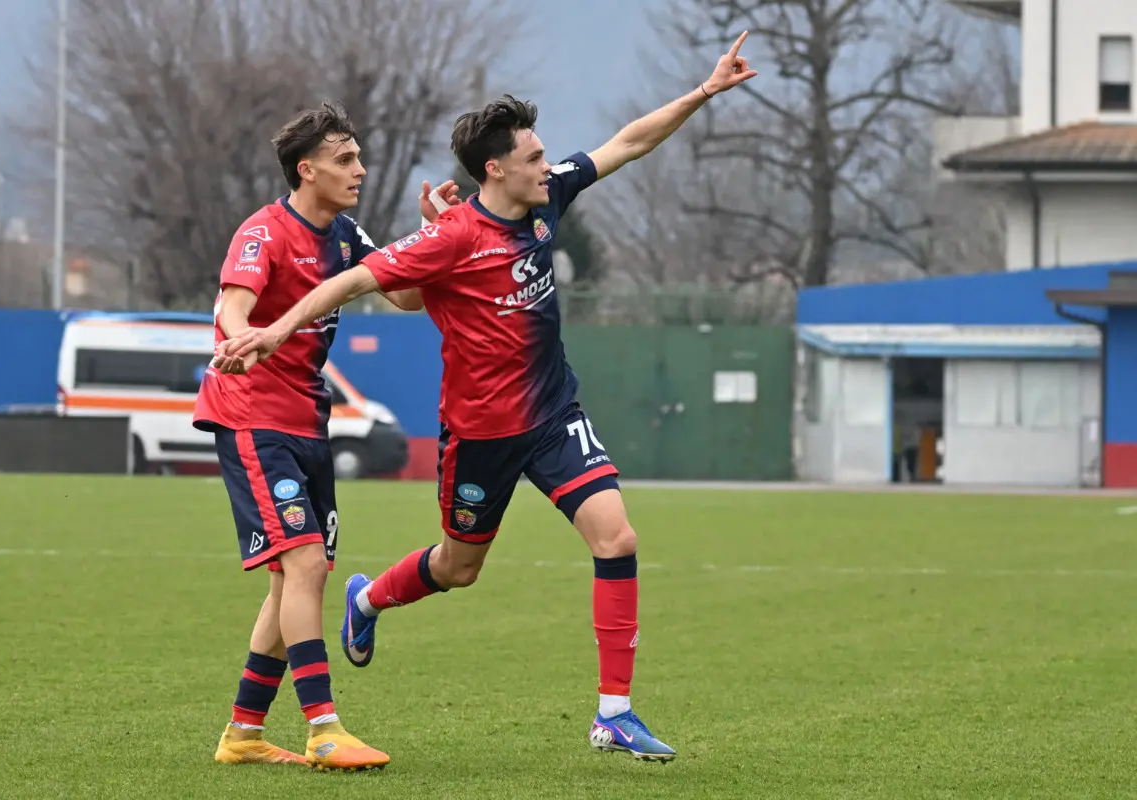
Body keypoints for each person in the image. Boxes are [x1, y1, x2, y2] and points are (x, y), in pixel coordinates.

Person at [214, 34, 757, 762]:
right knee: (457, 567)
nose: (549, 164)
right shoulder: (454, 236)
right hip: (478, 433)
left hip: (553, 415)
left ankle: (614, 714)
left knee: (617, 538)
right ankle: (370, 601)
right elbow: (361, 285)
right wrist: (275, 329)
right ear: (495, 168)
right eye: (534, 157)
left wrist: (703, 91)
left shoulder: (547, 197)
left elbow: (628, 143)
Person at [192, 102, 459, 770]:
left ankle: (243, 736)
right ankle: (324, 728)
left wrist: (431, 237)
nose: (360, 170)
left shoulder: (344, 236)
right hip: (253, 416)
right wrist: (239, 340)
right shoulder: (263, 233)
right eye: (346, 159)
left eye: (359, 157)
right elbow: (232, 303)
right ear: (306, 169)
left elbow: (405, 296)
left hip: (308, 421)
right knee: (305, 565)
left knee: (293, 584)